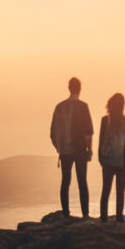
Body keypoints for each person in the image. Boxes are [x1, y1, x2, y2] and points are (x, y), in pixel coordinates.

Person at [50, 77, 93, 219]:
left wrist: (59, 147)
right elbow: (88, 132)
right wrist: (89, 150)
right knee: (82, 181)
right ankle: (85, 214)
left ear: (69, 88)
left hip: (65, 151)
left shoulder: (59, 107)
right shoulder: (83, 106)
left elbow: (52, 133)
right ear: (80, 89)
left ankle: (66, 213)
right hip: (80, 149)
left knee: (65, 181)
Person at [98, 93, 125, 223]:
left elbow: (100, 141)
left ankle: (103, 218)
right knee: (120, 192)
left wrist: (101, 159)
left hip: (107, 161)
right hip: (123, 161)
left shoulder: (105, 120)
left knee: (106, 190)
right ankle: (119, 217)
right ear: (123, 105)